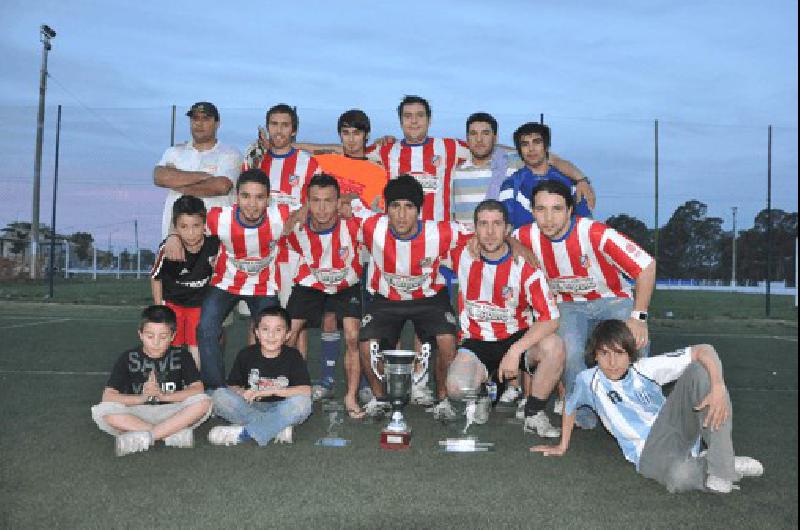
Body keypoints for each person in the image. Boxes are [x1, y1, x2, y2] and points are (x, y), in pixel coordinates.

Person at [531, 319, 764, 494]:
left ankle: (722, 470)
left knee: (700, 371)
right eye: (604, 354)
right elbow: (570, 406)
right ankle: (720, 462)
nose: (612, 363)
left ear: (630, 354)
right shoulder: (588, 380)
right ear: (595, 354)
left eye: (620, 353)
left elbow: (704, 349)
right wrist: (562, 445)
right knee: (679, 478)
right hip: (648, 454)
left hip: (673, 427)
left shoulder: (645, 368)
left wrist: (718, 385)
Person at [515, 180, 655, 429]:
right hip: (568, 305)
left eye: (557, 209)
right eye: (541, 209)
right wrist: (513, 244)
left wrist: (639, 317)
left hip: (612, 300)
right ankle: (585, 412)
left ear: (570, 210)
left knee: (634, 344)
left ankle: (641, 406)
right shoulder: (525, 236)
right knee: (569, 352)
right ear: (532, 211)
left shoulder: (595, 233)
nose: (548, 218)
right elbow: (500, 238)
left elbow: (646, 266)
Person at [357, 175, 473, 420]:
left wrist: (516, 246)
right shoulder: (371, 226)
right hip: (386, 298)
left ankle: (442, 399)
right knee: (366, 343)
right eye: (395, 206)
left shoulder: (440, 232)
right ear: (385, 208)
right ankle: (380, 399)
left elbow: (482, 234)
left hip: (429, 297)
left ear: (419, 210)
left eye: (409, 207)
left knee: (447, 341)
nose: (401, 215)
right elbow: (339, 207)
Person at [446, 200, 564, 436]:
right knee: (456, 389)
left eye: (497, 224)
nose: (490, 232)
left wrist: (515, 351)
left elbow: (551, 319)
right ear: (474, 228)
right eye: (483, 224)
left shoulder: (525, 265)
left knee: (555, 346)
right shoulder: (461, 253)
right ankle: (486, 394)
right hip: (477, 341)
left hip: (514, 337)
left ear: (508, 229)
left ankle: (534, 413)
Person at [181, 168, 291, 389]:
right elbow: (189, 223)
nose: (252, 204)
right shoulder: (218, 217)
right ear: (236, 197)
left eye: (259, 197)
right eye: (245, 196)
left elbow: (312, 209)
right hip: (225, 282)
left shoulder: (281, 215)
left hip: (263, 286)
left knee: (272, 331)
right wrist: (175, 236)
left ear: (268, 199)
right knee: (206, 328)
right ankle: (215, 388)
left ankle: (265, 385)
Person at [282, 174, 366, 418]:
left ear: (338, 202)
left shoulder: (354, 222)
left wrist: (352, 201)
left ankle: (351, 396)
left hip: (345, 285)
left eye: (328, 201)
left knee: (352, 335)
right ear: (307, 202)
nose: (321, 208)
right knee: (286, 333)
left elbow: (368, 208)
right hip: (310, 284)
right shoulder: (295, 226)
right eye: (315, 201)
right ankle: (290, 390)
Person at [243, 104, 322, 349]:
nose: (279, 130)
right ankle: (254, 376)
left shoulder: (307, 163)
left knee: (296, 319)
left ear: (294, 130)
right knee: (258, 319)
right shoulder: (255, 160)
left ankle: (298, 379)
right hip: (260, 252)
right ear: (267, 127)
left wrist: (302, 211)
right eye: (274, 124)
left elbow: (319, 196)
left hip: (294, 252)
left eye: (285, 125)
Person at [90, 305, 212, 456]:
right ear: (140, 334)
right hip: (137, 413)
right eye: (150, 336)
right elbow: (108, 396)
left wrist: (164, 396)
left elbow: (197, 389)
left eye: (163, 337)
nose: (156, 342)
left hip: (172, 411)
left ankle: (148, 436)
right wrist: (142, 398)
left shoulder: (182, 355)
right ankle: (169, 434)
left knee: (204, 401)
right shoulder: (128, 357)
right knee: (103, 410)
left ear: (173, 336)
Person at [208, 307, 312, 446]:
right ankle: (276, 426)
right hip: (251, 406)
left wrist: (271, 391)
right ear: (257, 332)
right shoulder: (246, 354)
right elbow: (232, 385)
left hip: (281, 407)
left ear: (287, 335)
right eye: (265, 329)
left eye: (278, 330)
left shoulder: (293, 356)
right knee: (219, 395)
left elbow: (306, 390)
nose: (271, 335)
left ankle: (246, 433)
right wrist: (242, 392)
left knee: (302, 403)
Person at [153, 101, 242, 239]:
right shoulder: (175, 152)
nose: (199, 124)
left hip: (215, 239)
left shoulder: (230, 154)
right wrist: (202, 176)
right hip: (175, 239)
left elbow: (221, 186)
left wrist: (176, 182)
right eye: (195, 118)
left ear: (217, 123)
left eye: (205, 119)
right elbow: (159, 176)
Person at [150, 195, 220, 368]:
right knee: (172, 343)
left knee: (195, 345)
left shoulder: (214, 245)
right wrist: (160, 307)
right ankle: (169, 378)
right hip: (173, 303)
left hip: (198, 304)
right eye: (184, 227)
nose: (191, 232)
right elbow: (155, 277)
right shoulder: (169, 249)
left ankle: (194, 381)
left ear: (204, 224)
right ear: (175, 227)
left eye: (196, 226)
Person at [500, 122, 595, 229]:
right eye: (525, 144)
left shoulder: (570, 182)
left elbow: (586, 226)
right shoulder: (510, 185)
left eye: (537, 142)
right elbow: (506, 231)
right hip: (524, 244)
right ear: (519, 150)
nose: (531, 149)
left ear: (546, 146)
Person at [450, 113, 521, 230]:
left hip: (505, 244)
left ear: (495, 137)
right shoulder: (455, 173)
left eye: (485, 133)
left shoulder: (513, 165)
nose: (479, 139)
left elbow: (543, 158)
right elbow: (452, 215)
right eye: (473, 134)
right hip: (466, 245)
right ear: (467, 138)